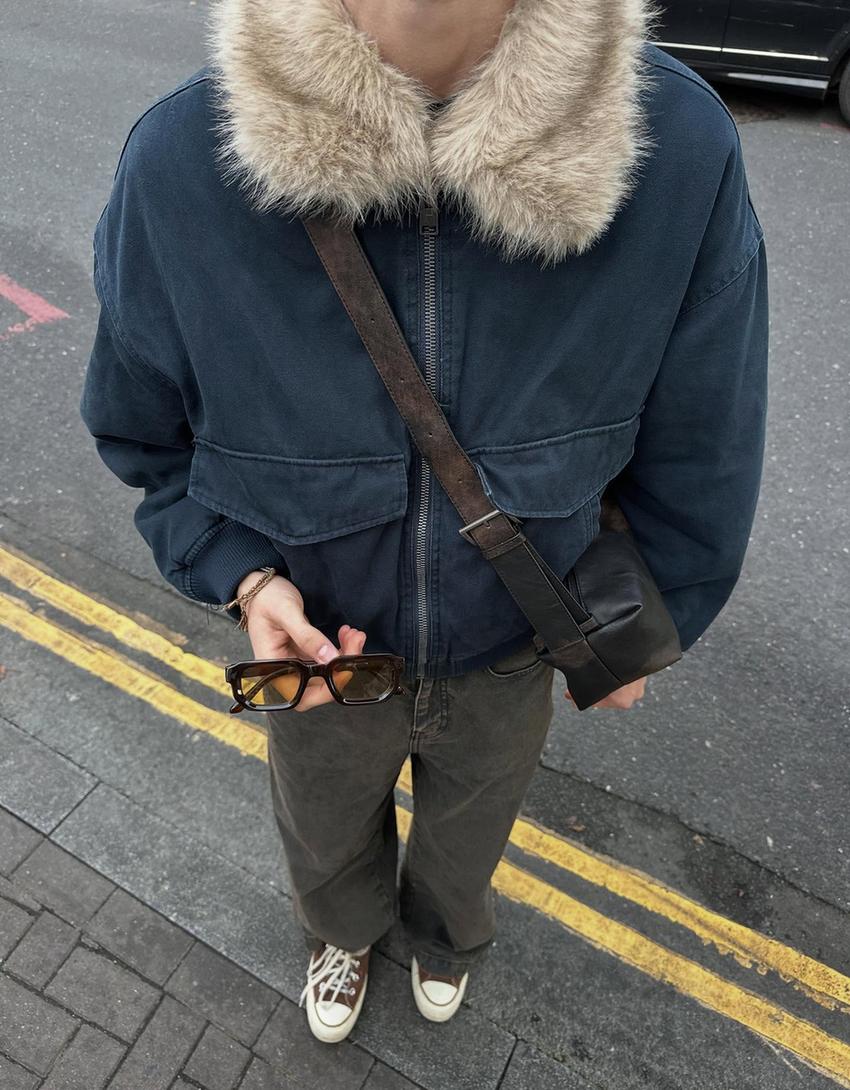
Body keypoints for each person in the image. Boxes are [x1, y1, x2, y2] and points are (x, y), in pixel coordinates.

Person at [79, 0, 769, 1044]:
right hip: (319, 651)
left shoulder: (674, 149)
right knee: (322, 834)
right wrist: (251, 580)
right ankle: (344, 935)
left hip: (509, 649)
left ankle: (445, 940)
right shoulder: (184, 160)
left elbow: (703, 441)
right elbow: (144, 437)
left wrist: (647, 616)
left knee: (469, 833)